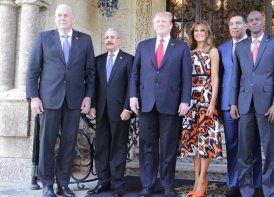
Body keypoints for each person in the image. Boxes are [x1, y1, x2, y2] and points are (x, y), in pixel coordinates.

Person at [26, 4, 95, 197]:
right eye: (59, 15)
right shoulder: (43, 38)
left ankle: (63, 185)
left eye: (66, 15)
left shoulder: (85, 40)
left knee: (68, 143)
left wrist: (88, 97)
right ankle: (47, 184)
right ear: (55, 18)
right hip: (48, 100)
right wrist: (33, 97)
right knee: (46, 143)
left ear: (73, 18)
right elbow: (33, 70)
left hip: (74, 101)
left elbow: (90, 72)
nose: (62, 18)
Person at [129, 12, 192, 197]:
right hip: (146, 103)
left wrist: (185, 100)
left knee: (168, 146)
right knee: (147, 145)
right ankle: (147, 184)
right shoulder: (143, 46)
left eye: (164, 21)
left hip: (171, 104)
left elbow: (186, 77)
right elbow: (135, 73)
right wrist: (133, 96)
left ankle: (166, 184)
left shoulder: (181, 47)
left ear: (171, 25)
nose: (160, 24)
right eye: (157, 22)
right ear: (154, 25)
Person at [229, 10, 274, 197]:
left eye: (257, 20)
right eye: (251, 20)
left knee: (270, 151)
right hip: (245, 105)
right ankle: (246, 191)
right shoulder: (241, 45)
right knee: (244, 151)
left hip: (269, 105)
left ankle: (270, 191)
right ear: (247, 25)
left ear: (263, 22)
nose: (254, 23)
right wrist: (233, 103)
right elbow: (235, 77)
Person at [218, 14, 262, 196]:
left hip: (251, 103)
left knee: (253, 145)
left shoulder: (255, 45)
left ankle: (256, 183)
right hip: (228, 104)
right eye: (231, 24)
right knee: (232, 144)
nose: (234, 26)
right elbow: (219, 77)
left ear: (246, 26)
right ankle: (234, 182)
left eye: (238, 23)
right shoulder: (222, 49)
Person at [86, 28, 133, 197]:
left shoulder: (128, 60)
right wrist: (91, 104)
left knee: (118, 147)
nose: (109, 40)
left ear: (120, 40)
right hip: (101, 111)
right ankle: (103, 181)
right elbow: (93, 84)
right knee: (102, 147)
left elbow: (131, 86)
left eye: (112, 37)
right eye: (106, 37)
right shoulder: (97, 60)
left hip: (121, 111)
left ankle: (118, 183)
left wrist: (128, 108)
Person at [178, 20, 222, 197]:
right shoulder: (188, 52)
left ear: (208, 32)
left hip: (205, 100)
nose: (199, 33)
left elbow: (215, 79)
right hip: (191, 100)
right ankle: (197, 180)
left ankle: (202, 180)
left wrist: (212, 103)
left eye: (202, 30)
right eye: (196, 31)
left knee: (205, 143)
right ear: (192, 34)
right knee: (194, 143)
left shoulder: (212, 51)